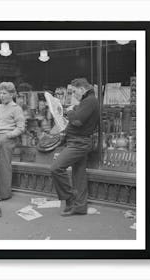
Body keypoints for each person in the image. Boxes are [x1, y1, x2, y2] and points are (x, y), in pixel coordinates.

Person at [50, 78, 99, 216]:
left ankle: (70, 198)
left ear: (82, 89)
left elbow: (77, 121)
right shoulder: (88, 101)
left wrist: (70, 111)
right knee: (79, 175)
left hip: (79, 143)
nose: (73, 95)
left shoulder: (89, 101)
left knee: (56, 168)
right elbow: (78, 119)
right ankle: (80, 207)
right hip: (78, 141)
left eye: (74, 91)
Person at [0, 82, 25, 200]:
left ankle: (4, 194)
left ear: (12, 94)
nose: (1, 95)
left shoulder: (16, 108)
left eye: (4, 93)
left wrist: (9, 135)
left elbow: (21, 127)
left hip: (7, 139)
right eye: (0, 93)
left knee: (4, 166)